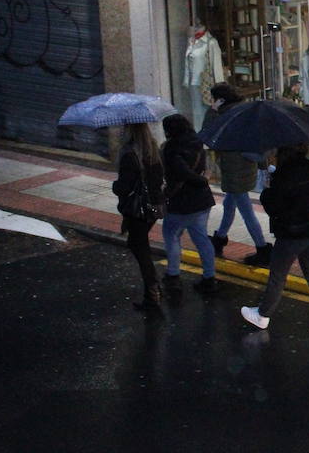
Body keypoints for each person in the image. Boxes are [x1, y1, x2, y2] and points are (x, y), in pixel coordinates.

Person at [239, 142, 309, 338]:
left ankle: (262, 315)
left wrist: (268, 189)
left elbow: (274, 206)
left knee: (277, 275)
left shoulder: (284, 175)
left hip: (291, 233)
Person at [206, 84, 272, 266]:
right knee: (229, 204)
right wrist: (262, 165)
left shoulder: (222, 115)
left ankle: (262, 247)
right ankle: (220, 237)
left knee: (246, 210)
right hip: (246, 166)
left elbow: (208, 135)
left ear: (220, 99)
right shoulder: (244, 111)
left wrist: (212, 111)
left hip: (233, 167)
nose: (211, 102)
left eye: (213, 98)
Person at [159, 113, 219, 295]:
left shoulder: (172, 148)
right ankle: (209, 277)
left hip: (181, 202)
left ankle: (173, 275)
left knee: (172, 236)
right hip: (202, 201)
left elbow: (184, 173)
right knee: (201, 238)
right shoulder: (197, 142)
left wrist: (203, 180)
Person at [112, 122, 165, 310]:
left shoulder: (129, 154)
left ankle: (153, 293)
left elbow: (124, 187)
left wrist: (115, 186)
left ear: (129, 132)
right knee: (139, 244)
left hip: (138, 210)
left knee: (139, 248)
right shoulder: (153, 148)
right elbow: (158, 178)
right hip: (153, 207)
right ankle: (154, 288)